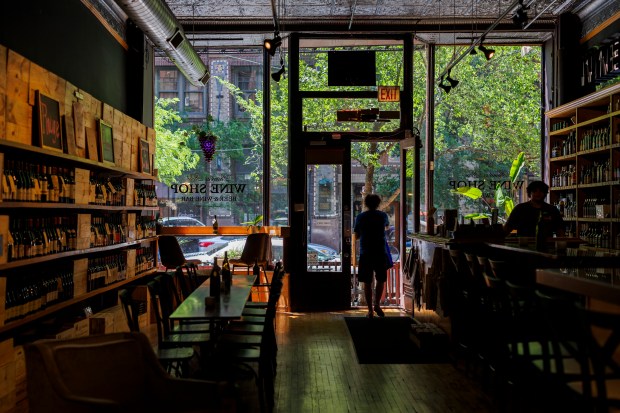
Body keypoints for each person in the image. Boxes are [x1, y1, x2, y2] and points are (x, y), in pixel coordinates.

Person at [353, 194, 390, 318]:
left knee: (367, 282)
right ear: (378, 203)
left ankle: (369, 310)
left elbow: (357, 235)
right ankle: (377, 305)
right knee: (381, 280)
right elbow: (386, 228)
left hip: (366, 252)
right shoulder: (383, 216)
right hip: (380, 251)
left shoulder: (360, 217)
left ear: (366, 203)